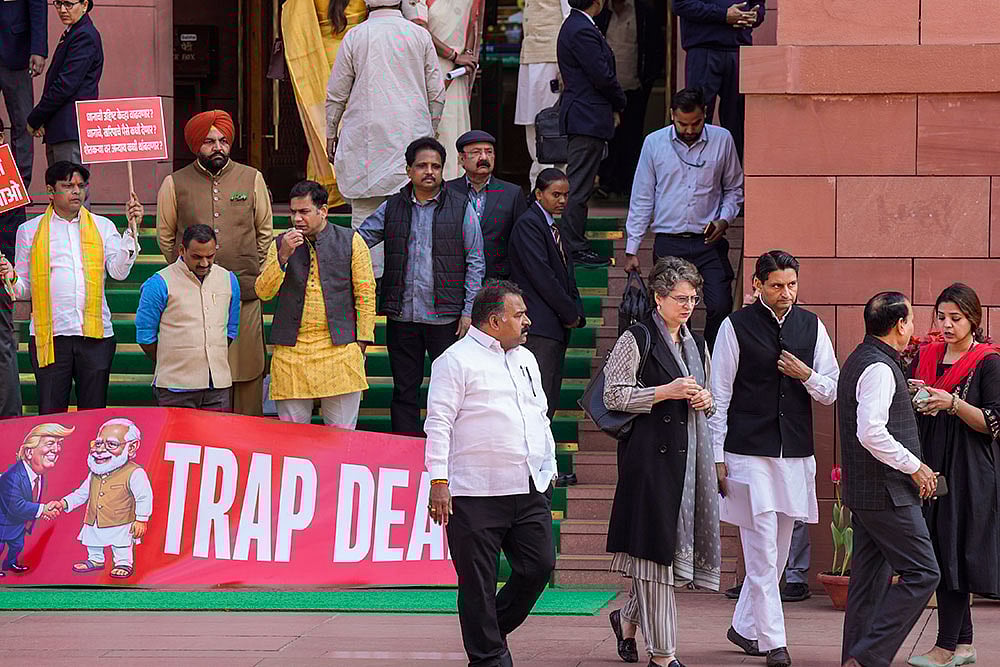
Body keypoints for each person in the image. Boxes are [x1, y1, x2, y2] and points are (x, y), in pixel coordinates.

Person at [709, 250, 839, 667]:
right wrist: (716, 457)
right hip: (746, 452)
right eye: (777, 286)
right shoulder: (735, 326)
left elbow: (831, 389)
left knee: (778, 551)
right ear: (757, 285)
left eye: (792, 285)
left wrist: (806, 375)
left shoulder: (812, 325)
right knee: (763, 549)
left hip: (795, 453)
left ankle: (744, 627)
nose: (787, 293)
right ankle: (774, 642)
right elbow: (720, 395)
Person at [425, 281, 557, 667]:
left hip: (529, 485)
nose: (527, 321)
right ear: (495, 321)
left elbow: (539, 416)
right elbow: (438, 424)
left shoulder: (526, 359)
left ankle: (489, 632)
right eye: (519, 315)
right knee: (478, 584)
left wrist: (548, 468)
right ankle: (488, 656)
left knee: (539, 567)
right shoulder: (454, 361)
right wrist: (438, 481)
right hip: (474, 492)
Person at [603, 257, 720, 667]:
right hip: (649, 462)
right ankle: (663, 655)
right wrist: (663, 391)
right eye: (680, 298)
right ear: (658, 297)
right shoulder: (637, 337)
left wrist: (706, 401)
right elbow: (613, 396)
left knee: (659, 557)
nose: (688, 305)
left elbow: (707, 397)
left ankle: (626, 618)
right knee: (655, 556)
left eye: (693, 298)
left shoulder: (697, 342)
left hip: (690, 462)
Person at [839, 292, 940, 667]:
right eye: (911, 319)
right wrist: (914, 465)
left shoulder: (859, 359)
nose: (913, 325)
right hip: (887, 494)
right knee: (924, 573)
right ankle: (869, 656)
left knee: (867, 585)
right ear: (900, 325)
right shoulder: (879, 368)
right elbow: (871, 432)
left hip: (867, 493)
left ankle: (856, 659)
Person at [358, 136, 484, 436]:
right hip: (402, 316)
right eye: (422, 166)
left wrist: (468, 311)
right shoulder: (392, 208)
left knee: (451, 392)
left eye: (436, 166)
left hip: (448, 318)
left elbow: (476, 261)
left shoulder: (461, 206)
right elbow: (358, 242)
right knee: (404, 390)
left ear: (443, 170)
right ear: (408, 170)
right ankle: (406, 455)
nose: (429, 171)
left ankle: (447, 453)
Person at [906, 283, 1000, 667]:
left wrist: (954, 403)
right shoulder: (927, 356)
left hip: (970, 469)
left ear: (973, 319)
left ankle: (946, 647)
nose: (946, 325)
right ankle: (962, 646)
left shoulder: (988, 362)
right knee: (942, 549)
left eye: (955, 319)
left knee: (954, 551)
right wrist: (919, 396)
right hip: (932, 462)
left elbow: (993, 422)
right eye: (941, 317)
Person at [156, 110, 273, 417]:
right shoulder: (175, 182)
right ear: (197, 145)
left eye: (222, 140)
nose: (217, 147)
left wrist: (252, 267)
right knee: (200, 372)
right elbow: (166, 237)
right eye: (208, 141)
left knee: (247, 370)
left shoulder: (252, 178)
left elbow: (265, 232)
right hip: (192, 300)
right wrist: (186, 276)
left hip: (245, 292)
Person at [0, 161, 142, 415]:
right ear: (50, 190)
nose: (76, 191)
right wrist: (9, 277)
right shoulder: (29, 231)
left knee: (94, 413)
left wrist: (131, 233)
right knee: (51, 415)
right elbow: (25, 289)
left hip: (96, 337)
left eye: (80, 186)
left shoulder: (102, 226)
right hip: (50, 337)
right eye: (68, 185)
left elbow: (119, 273)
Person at [325, 0, 446, 279]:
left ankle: (368, 287)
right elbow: (436, 93)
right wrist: (431, 133)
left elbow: (336, 94)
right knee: (412, 217)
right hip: (412, 139)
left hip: (365, 142)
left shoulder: (356, 35)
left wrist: (331, 133)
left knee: (364, 223)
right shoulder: (419, 35)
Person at [622, 87, 744, 349]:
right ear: (671, 116)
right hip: (669, 242)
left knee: (720, 303)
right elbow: (642, 197)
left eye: (696, 123)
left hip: (708, 241)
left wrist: (724, 220)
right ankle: (678, 362)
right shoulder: (654, 143)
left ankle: (709, 358)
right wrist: (632, 248)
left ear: (706, 115)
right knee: (671, 310)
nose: (689, 130)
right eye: (682, 124)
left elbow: (734, 189)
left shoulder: (722, 139)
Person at [256, 180, 376, 428]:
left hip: (339, 350)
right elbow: (263, 292)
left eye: (304, 212)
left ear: (323, 211)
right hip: (292, 352)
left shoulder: (351, 240)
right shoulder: (281, 244)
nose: (297, 219)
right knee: (293, 439)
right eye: (293, 212)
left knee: (341, 436)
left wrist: (361, 343)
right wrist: (282, 257)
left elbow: (365, 293)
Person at [135, 224, 241, 412]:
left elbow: (231, 330)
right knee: (178, 442)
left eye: (210, 256)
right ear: (182, 250)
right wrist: (175, 359)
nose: (204, 263)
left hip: (217, 387)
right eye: (197, 257)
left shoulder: (228, 279)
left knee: (216, 441)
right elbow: (145, 336)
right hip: (174, 389)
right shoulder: (159, 283)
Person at [508, 168, 584, 420]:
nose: (562, 200)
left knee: (548, 394)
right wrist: (570, 313)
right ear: (539, 194)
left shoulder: (550, 225)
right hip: (539, 324)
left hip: (553, 324)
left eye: (565, 195)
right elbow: (543, 277)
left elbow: (566, 274)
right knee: (538, 398)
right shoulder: (529, 224)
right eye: (555, 194)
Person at [557, 0, 626, 268]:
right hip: (586, 116)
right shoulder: (580, 28)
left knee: (580, 182)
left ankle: (574, 244)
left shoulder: (578, 25)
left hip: (586, 115)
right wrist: (620, 101)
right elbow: (602, 75)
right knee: (579, 185)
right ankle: (573, 247)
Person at [281, 0, 368, 208]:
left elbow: (296, 20)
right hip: (361, 56)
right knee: (360, 126)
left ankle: (327, 191)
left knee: (323, 127)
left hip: (322, 58)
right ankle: (358, 187)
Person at [59, 418, 153, 580]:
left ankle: (123, 563)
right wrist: (64, 503)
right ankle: (95, 560)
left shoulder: (135, 473)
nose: (101, 450)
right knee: (93, 539)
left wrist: (141, 519)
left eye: (111, 445)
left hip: (121, 520)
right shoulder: (95, 472)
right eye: (98, 443)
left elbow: (144, 497)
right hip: (95, 518)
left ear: (131, 447)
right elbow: (82, 493)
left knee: (121, 543)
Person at [673, 0, 763, 163]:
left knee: (738, 121)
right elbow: (681, 5)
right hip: (703, 47)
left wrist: (754, 16)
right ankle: (694, 178)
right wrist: (723, 15)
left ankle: (734, 182)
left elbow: (759, 6)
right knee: (695, 116)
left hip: (738, 49)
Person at [405, 0, 485, 181]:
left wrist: (462, 57)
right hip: (430, 69)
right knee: (435, 134)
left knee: (451, 132)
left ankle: (450, 191)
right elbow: (420, 30)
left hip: (453, 71)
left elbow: (472, 24)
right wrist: (459, 56)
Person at [595, 0, 664, 198]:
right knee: (607, 136)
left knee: (632, 136)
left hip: (635, 86)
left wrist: (649, 77)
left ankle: (627, 184)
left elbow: (655, 46)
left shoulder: (644, 12)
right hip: (605, 88)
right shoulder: (600, 12)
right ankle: (606, 182)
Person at [26, 0, 102, 171]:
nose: (62, 10)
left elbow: (64, 86)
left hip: (70, 130)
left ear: (84, 4)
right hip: (60, 129)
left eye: (68, 4)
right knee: (60, 191)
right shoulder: (74, 32)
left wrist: (36, 118)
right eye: (58, 3)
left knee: (71, 190)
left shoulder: (84, 35)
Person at [447, 130, 528, 280]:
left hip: (499, 279)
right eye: (476, 152)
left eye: (489, 152)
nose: (484, 157)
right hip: (455, 278)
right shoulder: (447, 191)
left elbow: (522, 242)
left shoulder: (512, 193)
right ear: (461, 159)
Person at [0, 422, 70, 575]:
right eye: (50, 443)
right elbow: (15, 505)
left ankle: (9, 564)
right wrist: (43, 509)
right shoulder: (12, 476)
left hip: (17, 524)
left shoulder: (37, 475)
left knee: (17, 546)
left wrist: (43, 510)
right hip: (3, 523)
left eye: (59, 444)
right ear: (29, 452)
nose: (56, 450)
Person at [514, 0, 570, 185]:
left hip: (551, 58)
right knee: (531, 121)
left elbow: (570, 16)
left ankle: (553, 188)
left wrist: (565, 63)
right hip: (529, 57)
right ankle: (537, 189)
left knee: (551, 124)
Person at [0, 0, 46, 191]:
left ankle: (18, 187)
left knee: (23, 124)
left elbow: (38, 4)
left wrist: (38, 49)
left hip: (16, 49)